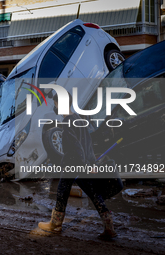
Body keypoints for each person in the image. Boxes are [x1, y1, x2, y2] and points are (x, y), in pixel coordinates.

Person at [38, 92, 117, 240]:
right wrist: (92, 163)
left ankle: (56, 225)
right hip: (82, 164)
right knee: (84, 192)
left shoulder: (68, 123)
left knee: (70, 192)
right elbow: (88, 145)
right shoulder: (79, 119)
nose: (56, 109)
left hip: (75, 165)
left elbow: (77, 148)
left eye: (56, 105)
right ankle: (108, 226)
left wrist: (84, 166)